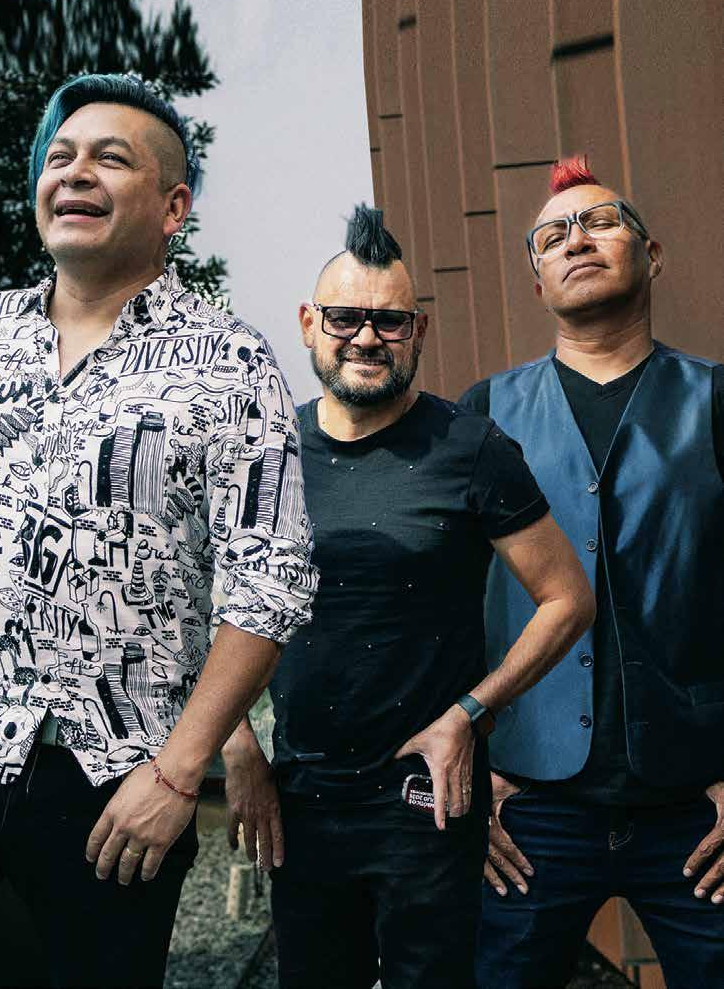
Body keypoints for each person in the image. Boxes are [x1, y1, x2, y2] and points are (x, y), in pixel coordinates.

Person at [0, 73, 318, 988]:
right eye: (59, 156)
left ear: (173, 207)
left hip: (118, 781)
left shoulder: (229, 361)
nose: (74, 172)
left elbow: (269, 585)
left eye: (109, 158)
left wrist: (179, 775)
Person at [222, 205, 595, 989]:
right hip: (303, 797)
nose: (367, 337)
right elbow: (205, 604)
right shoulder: (267, 457)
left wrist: (470, 713)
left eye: (388, 321)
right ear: (309, 323)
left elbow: (566, 598)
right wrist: (236, 742)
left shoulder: (470, 446)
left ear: (417, 331)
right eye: (345, 317)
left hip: (426, 797)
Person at [461, 157, 724, 989]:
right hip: (531, 802)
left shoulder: (714, 398)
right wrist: (473, 766)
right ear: (536, 280)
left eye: (601, 222)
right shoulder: (484, 413)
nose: (576, 239)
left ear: (652, 255)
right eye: (552, 235)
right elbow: (445, 605)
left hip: (697, 801)